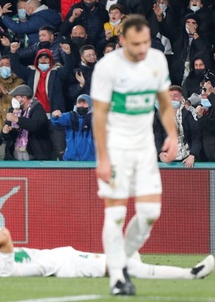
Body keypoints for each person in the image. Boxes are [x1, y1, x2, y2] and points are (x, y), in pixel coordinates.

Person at [90, 15, 178, 295]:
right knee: (115, 214)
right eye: (136, 44)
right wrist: (102, 158)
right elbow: (99, 115)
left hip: (144, 147)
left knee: (150, 213)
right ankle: (117, 278)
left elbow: (164, 104)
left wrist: (173, 135)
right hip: (116, 147)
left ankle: (122, 261)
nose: (142, 49)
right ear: (123, 40)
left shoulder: (156, 61)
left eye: (146, 42)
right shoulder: (107, 67)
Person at [0, 227, 215, 280]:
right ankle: (190, 274)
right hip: (71, 267)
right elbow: (3, 233)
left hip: (70, 257)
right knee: (128, 269)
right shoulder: (2, 267)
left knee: (126, 259)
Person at [153, 85, 202, 167]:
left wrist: (192, 155)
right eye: (169, 96)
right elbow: (157, 138)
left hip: (186, 159)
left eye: (176, 96)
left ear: (182, 98)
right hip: (167, 160)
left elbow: (196, 138)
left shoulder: (189, 115)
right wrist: (160, 153)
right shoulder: (159, 116)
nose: (172, 99)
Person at [2, 84, 52, 161]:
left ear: (24, 98)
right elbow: (7, 135)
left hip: (34, 154)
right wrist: (5, 131)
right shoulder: (13, 110)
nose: (13, 99)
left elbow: (35, 125)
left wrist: (17, 119)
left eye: (15, 97)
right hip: (15, 154)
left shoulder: (38, 109)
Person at [51, 94, 95, 161]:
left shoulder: (95, 118)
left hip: (90, 160)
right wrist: (55, 116)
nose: (81, 105)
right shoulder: (71, 116)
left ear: (90, 105)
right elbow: (58, 121)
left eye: (84, 103)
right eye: (79, 103)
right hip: (71, 159)